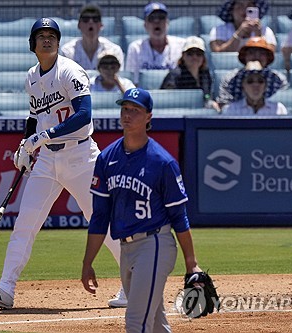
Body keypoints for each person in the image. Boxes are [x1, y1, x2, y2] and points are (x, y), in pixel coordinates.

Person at [0, 18, 126, 309]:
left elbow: (84, 115)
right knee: (25, 223)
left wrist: (41, 137)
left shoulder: (69, 70)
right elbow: (34, 116)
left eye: (51, 35)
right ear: (33, 44)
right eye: (41, 36)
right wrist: (25, 144)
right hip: (47, 159)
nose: (47, 40)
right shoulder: (31, 76)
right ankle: (5, 289)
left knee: (101, 222)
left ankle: (135, 284)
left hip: (81, 157)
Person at [81, 87, 203, 332]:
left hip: (155, 245)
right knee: (156, 324)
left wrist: (192, 262)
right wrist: (88, 262)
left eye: (135, 110)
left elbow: (179, 216)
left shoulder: (162, 162)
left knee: (136, 321)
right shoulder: (107, 159)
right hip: (126, 248)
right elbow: (100, 216)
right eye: (125, 108)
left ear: (149, 116)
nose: (128, 115)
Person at [216, 36, 288, 109]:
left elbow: (282, 104)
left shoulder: (279, 79)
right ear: (244, 56)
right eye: (251, 53)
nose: (256, 57)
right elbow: (223, 105)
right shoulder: (230, 78)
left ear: (267, 57)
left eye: (262, 53)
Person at [125, 2, 185, 86]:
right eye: (152, 18)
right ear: (145, 25)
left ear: (167, 22)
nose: (157, 21)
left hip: (173, 95)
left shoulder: (181, 45)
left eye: (161, 17)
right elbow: (131, 82)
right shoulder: (135, 48)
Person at [160, 36, 219, 111]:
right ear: (183, 56)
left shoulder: (205, 74)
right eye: (190, 53)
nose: (194, 57)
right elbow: (168, 98)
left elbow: (207, 95)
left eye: (199, 54)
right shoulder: (175, 74)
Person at [60, 4, 125, 71]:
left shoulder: (114, 51)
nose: (91, 22)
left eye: (95, 19)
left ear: (101, 25)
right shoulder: (67, 51)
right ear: (79, 25)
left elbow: (119, 78)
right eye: (86, 19)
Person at [222, 60, 287, 115]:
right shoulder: (231, 109)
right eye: (250, 81)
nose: (256, 85)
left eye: (260, 81)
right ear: (243, 86)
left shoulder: (279, 109)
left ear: (266, 86)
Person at [209, 0, 276, 52]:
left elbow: (271, 55)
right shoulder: (219, 30)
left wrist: (258, 36)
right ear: (231, 10)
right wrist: (239, 34)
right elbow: (217, 54)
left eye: (249, 5)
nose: (244, 9)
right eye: (240, 6)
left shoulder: (266, 31)